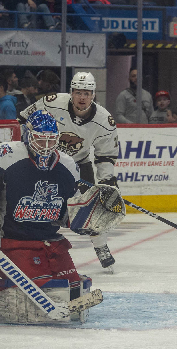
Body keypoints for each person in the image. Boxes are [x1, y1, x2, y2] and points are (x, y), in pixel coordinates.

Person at [0, 108, 119, 323]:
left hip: (52, 242)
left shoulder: (68, 166)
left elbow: (69, 213)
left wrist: (87, 220)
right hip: (14, 242)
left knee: (72, 287)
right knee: (43, 288)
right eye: (40, 140)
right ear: (27, 135)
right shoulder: (5, 156)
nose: (47, 147)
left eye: (52, 141)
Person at [17, 72, 122, 272]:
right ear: (71, 92)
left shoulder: (104, 120)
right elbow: (22, 120)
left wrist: (107, 180)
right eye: (78, 92)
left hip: (78, 164)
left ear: (93, 95)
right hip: (45, 161)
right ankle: (34, 245)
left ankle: (101, 246)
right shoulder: (51, 102)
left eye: (87, 93)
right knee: (39, 203)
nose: (82, 97)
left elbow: (105, 155)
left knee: (94, 207)